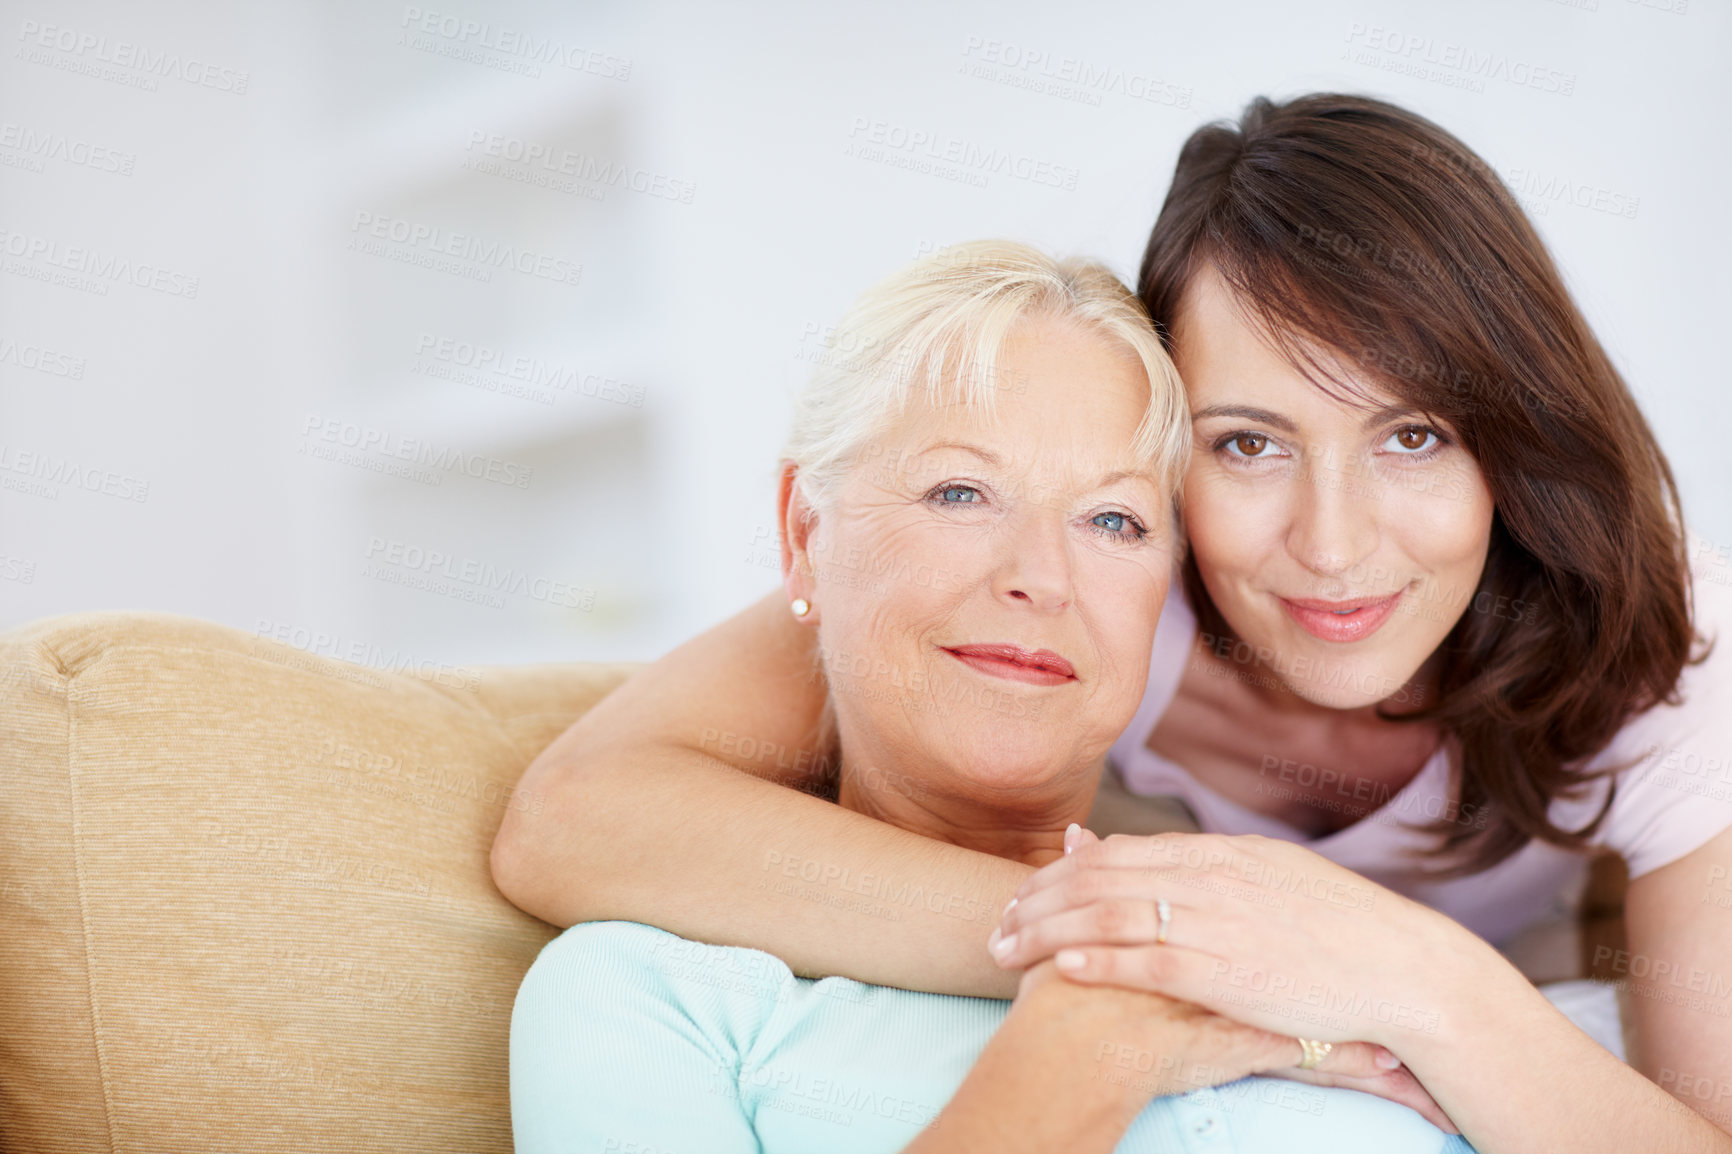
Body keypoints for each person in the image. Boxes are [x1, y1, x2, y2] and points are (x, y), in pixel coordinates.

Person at [493, 95, 1732, 1153]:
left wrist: (1412, 976)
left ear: (1508, 448)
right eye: (1245, 443)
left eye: (1414, 435)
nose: (1335, 543)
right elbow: (577, 814)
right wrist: (1136, 951)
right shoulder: (1097, 580)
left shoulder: (1655, 641)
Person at [509, 240, 1466, 1153]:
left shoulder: (1314, 969)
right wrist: (1086, 1033)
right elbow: (567, 814)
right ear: (805, 535)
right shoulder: (651, 998)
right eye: (960, 493)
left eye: (1113, 519)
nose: (1041, 577)